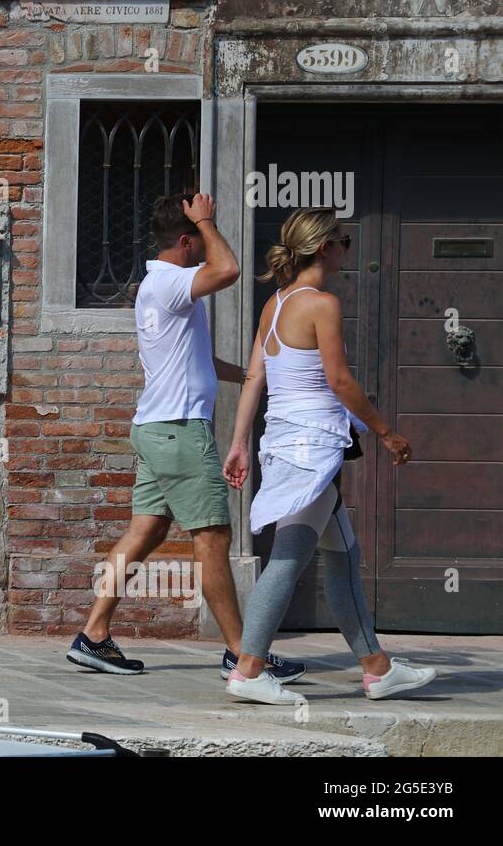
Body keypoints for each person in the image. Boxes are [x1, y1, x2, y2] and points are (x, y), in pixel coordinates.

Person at [67, 194, 304, 682]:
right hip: (178, 430)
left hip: (155, 429)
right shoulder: (174, 282)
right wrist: (209, 221)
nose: (205, 245)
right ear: (185, 240)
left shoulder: (157, 286)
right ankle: (243, 655)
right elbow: (230, 269)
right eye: (198, 237)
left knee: (145, 532)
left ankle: (92, 634)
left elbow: (195, 360)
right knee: (213, 535)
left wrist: (251, 376)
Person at [222, 208, 437, 703]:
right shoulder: (321, 303)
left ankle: (377, 669)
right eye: (344, 239)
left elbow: (255, 379)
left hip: (286, 445)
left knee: (344, 557)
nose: (348, 247)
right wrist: (386, 433)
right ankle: (249, 670)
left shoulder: (275, 303)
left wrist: (238, 443)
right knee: (288, 558)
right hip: (310, 450)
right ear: (324, 247)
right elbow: (339, 381)